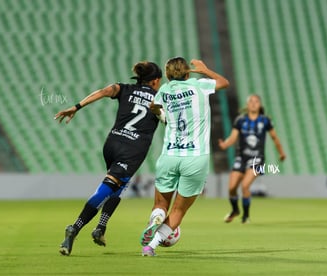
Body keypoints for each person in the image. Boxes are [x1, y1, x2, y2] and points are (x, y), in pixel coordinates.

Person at [54, 61, 163, 256]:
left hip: (112, 143)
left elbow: (103, 91)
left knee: (119, 185)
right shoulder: (159, 97)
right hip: (133, 148)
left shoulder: (124, 88)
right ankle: (75, 227)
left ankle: (101, 228)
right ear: (155, 81)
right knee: (110, 187)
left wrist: (77, 107)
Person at [139, 57, 229, 256]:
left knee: (161, 204)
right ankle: (150, 246)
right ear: (188, 73)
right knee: (178, 211)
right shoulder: (199, 85)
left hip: (170, 154)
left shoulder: (165, 90)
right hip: (195, 157)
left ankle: (155, 218)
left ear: (168, 75)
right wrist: (204, 70)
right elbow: (224, 83)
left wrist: (162, 116)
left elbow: (153, 106)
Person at [218, 94, 286, 224]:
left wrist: (281, 153)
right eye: (251, 101)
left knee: (245, 186)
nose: (254, 103)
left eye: (256, 101)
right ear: (247, 105)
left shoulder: (265, 120)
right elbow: (233, 138)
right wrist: (225, 144)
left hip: (258, 159)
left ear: (260, 105)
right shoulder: (240, 120)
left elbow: (274, 138)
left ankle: (246, 216)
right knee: (232, 188)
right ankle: (235, 210)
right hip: (241, 157)